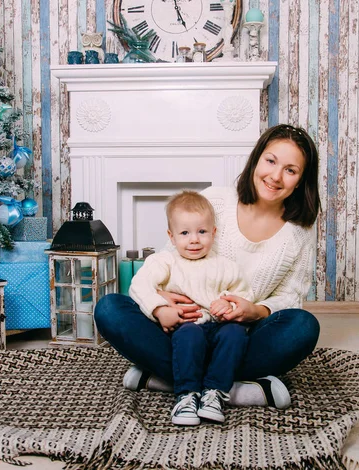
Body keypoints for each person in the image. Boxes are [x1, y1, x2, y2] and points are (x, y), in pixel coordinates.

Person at [95, 124, 321, 416]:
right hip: (182, 327)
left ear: (301, 180)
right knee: (110, 308)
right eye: (271, 161)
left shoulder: (299, 231)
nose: (275, 176)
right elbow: (168, 259)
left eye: (290, 170)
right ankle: (235, 388)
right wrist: (163, 301)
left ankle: (165, 380)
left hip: (238, 336)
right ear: (257, 159)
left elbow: (290, 298)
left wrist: (254, 310)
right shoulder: (217, 199)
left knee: (303, 326)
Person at [129, 190, 254, 425]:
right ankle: (186, 395)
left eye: (202, 232)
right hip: (184, 328)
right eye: (185, 233)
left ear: (213, 233)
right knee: (189, 334)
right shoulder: (164, 260)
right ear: (172, 236)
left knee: (236, 333)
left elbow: (245, 294)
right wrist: (159, 309)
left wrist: (228, 301)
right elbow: (139, 285)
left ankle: (214, 393)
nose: (194, 239)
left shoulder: (226, 266)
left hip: (218, 327)